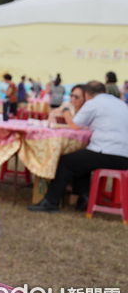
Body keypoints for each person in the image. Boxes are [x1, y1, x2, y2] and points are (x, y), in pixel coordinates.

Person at [29, 81, 128, 212]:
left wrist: (65, 112)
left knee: (66, 162)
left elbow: (75, 125)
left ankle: (51, 201)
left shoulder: (93, 103)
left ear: (86, 94)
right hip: (124, 156)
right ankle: (84, 199)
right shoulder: (121, 103)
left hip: (107, 152)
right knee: (81, 161)